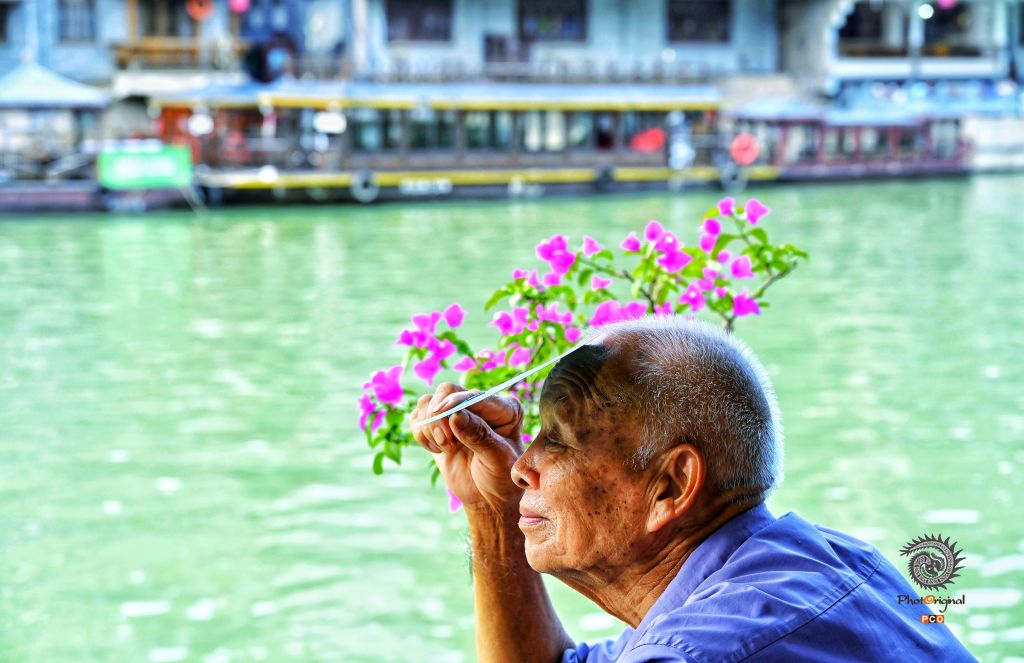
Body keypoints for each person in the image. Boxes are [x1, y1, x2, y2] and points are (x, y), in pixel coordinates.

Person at [410, 317, 974, 662]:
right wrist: (492, 510)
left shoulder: (702, 649)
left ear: (672, 485)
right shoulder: (828, 559)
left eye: (558, 440)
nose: (522, 467)